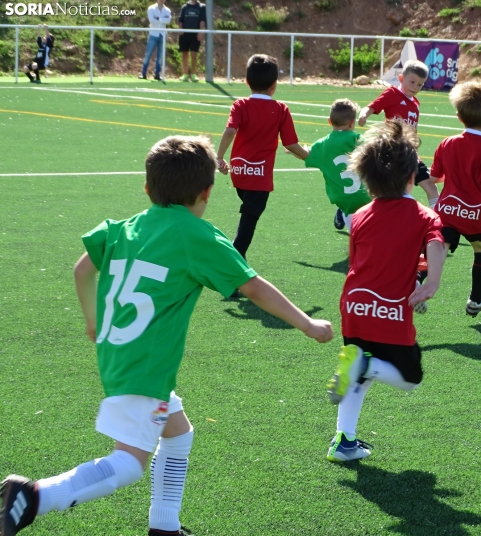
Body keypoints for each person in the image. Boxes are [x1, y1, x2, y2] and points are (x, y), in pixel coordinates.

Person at [0, 135, 333, 536]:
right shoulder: (197, 235)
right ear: (208, 191)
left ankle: (164, 526)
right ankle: (35, 495)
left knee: (178, 435)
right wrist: (309, 324)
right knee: (128, 464)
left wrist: (92, 321)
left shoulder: (124, 227)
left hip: (121, 353)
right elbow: (253, 286)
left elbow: (82, 270)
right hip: (146, 366)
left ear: (146, 187)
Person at [325, 120, 447, 462]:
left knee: (357, 377)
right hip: (389, 308)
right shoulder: (423, 215)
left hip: (354, 305)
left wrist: (415, 278)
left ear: (366, 179)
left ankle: (343, 441)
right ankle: (365, 366)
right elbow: (436, 244)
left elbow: (364, 260)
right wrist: (432, 282)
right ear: (412, 177)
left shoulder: (360, 215)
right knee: (409, 378)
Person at [216, 54, 308, 264]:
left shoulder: (240, 105)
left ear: (247, 82)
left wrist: (219, 157)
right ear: (274, 85)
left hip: (239, 174)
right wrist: (310, 158)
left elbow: (230, 130)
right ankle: (231, 265)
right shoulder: (280, 109)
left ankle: (240, 263)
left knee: (248, 215)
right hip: (259, 178)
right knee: (248, 224)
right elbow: (290, 144)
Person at [429, 81, 481, 317]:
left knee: (441, 245)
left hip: (446, 210)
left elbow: (435, 178)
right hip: (471, 212)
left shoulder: (447, 143)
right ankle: (475, 299)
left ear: (459, 117)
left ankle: (420, 278)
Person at [357, 60, 441, 209]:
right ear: (401, 78)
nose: (415, 87)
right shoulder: (392, 93)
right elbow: (372, 106)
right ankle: (357, 211)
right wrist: (363, 116)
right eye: (412, 82)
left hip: (410, 153)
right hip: (392, 152)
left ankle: (440, 223)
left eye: (420, 84)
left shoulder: (416, 103)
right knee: (385, 192)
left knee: (431, 187)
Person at [303, 98, 371, 232]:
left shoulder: (322, 144)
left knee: (357, 240)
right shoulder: (358, 139)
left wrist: (294, 149)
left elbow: (306, 153)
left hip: (345, 202)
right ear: (352, 123)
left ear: (329, 121)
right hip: (366, 199)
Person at [139, 0, 172, 81]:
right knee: (148, 54)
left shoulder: (167, 10)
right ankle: (143, 73)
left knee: (160, 56)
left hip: (162, 34)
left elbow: (169, 20)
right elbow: (151, 20)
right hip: (153, 34)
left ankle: (157, 74)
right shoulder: (151, 8)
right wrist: (163, 19)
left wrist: (158, 18)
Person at [177, 0, 205, 82]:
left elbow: (202, 20)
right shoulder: (184, 7)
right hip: (185, 34)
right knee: (184, 54)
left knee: (194, 54)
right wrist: (180, 29)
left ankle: (193, 74)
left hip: (195, 34)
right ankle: (185, 74)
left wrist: (201, 32)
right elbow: (180, 20)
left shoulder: (201, 7)